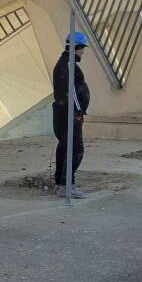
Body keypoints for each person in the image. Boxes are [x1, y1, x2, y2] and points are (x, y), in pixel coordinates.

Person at [53, 31, 90, 198]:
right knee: (76, 149)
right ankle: (67, 184)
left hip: (64, 112)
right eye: (82, 48)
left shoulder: (66, 63)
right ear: (77, 47)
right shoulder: (68, 65)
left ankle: (61, 183)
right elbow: (71, 92)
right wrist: (77, 112)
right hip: (69, 113)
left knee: (65, 147)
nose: (83, 52)